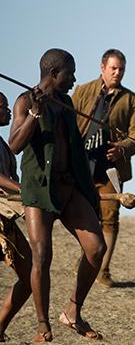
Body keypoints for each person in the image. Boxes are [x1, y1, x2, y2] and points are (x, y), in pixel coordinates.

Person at [9, 48, 106, 342]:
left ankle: (72, 311)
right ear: (54, 74)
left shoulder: (66, 103)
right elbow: (14, 145)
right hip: (39, 190)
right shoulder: (26, 101)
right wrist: (34, 115)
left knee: (96, 249)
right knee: (41, 256)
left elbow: (75, 150)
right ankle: (43, 326)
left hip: (68, 188)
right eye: (70, 73)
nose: (74, 79)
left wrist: (90, 192)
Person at [71, 49, 135, 287]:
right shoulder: (82, 91)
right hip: (81, 165)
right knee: (82, 214)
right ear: (102, 67)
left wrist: (123, 148)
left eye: (121, 69)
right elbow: (68, 122)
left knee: (110, 218)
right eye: (113, 68)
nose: (117, 73)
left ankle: (102, 269)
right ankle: (88, 257)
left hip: (111, 169)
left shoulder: (131, 99)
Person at [0, 92, 33, 341]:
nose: (9, 111)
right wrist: (23, 189)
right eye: (3, 107)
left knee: (31, 274)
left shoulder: (3, 146)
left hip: (5, 220)